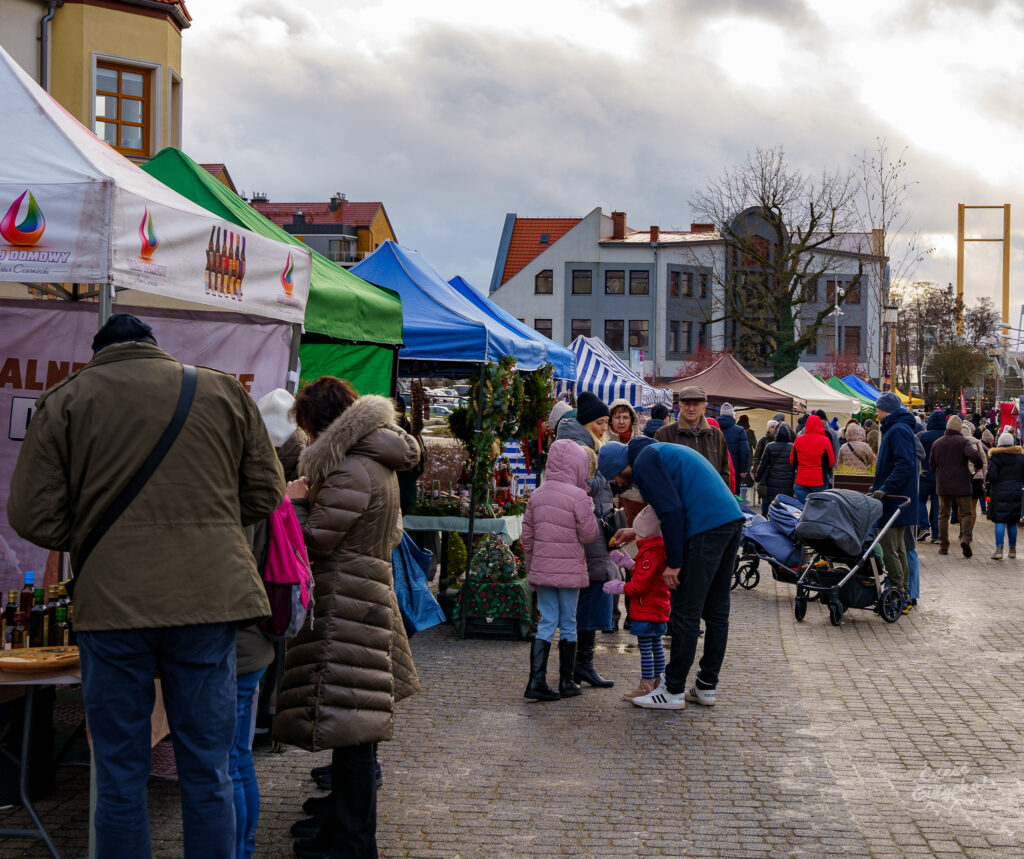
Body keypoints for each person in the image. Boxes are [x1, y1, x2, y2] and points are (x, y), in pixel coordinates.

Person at [8, 314, 285, 858]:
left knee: (119, 774)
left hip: (113, 605)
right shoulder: (222, 391)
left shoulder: (66, 400)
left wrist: (96, 542)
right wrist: (209, 531)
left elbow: (31, 515)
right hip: (208, 600)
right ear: (155, 347)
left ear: (98, 353)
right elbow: (265, 494)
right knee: (208, 769)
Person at [275, 378, 421, 859]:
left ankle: (353, 844)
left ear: (321, 425)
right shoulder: (373, 457)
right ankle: (342, 831)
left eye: (308, 429)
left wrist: (295, 501)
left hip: (346, 599)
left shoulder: (351, 467)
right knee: (351, 724)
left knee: (354, 728)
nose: (308, 439)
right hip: (362, 592)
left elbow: (317, 539)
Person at [597, 437, 744, 711]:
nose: (618, 483)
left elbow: (671, 511)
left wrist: (674, 562)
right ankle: (706, 686)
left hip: (705, 528)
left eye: (615, 477)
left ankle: (672, 690)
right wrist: (636, 532)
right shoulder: (658, 452)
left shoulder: (644, 461)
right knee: (716, 611)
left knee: (686, 611)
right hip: (729, 521)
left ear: (620, 467)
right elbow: (668, 507)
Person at [521, 439, 602, 700]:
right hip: (569, 572)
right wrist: (589, 508)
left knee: (546, 621)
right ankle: (567, 681)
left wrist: (532, 567)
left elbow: (527, 537)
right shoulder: (578, 496)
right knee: (568, 622)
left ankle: (536, 681)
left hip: (543, 569)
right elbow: (589, 535)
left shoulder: (537, 494)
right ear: (578, 465)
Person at [555, 392, 617, 685]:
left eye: (606, 422)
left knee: (591, 590)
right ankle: (577, 666)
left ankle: (581, 664)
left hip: (594, 527)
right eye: (599, 422)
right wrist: (607, 471)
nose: (604, 428)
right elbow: (582, 487)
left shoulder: (589, 444)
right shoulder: (579, 447)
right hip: (585, 528)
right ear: (585, 422)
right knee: (589, 591)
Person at [603, 505, 670, 700]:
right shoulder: (658, 549)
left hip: (646, 609)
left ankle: (645, 685)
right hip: (658, 608)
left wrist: (620, 587)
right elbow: (647, 575)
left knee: (646, 648)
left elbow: (640, 585)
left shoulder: (650, 553)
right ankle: (658, 681)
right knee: (656, 646)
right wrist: (629, 564)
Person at [869, 392, 919, 606]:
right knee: (898, 549)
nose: (877, 413)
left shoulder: (897, 430)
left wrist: (885, 488)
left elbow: (904, 464)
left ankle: (899, 592)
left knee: (890, 549)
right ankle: (903, 593)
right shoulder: (899, 428)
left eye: (878, 409)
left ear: (886, 410)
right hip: (898, 498)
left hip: (894, 499)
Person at [654, 386, 731, 488]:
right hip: (678, 496)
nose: (691, 409)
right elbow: (656, 472)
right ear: (680, 406)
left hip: (709, 495)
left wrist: (720, 494)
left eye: (695, 404)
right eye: (687, 404)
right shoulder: (664, 434)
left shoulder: (716, 435)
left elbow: (725, 472)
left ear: (704, 408)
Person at [929, 414, 983, 558]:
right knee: (966, 513)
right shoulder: (963, 442)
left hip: (943, 483)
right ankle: (965, 538)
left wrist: (939, 473)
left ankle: (943, 545)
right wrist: (977, 467)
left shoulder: (937, 443)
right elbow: (975, 457)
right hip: (962, 482)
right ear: (959, 428)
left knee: (943, 515)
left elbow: (932, 463)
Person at [987, 432, 1024, 560]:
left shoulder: (996, 458)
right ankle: (1012, 549)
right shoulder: (1020, 458)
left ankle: (999, 549)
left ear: (1000, 443)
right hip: (1015, 491)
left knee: (1000, 520)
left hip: (999, 491)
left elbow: (992, 476)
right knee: (1012, 521)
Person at [789, 414, 835, 502]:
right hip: (819, 481)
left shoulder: (798, 440)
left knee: (803, 507)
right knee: (819, 508)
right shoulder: (825, 440)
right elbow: (831, 461)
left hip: (801, 480)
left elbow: (792, 460)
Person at [917, 410, 947, 542]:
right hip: (941, 475)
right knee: (937, 504)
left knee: (919, 500)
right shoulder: (946, 437)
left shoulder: (923, 436)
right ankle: (937, 534)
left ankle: (924, 526)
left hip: (924, 473)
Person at [754, 423, 795, 515]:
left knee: (771, 503)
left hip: (772, 479)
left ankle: (769, 518)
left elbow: (763, 464)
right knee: (785, 504)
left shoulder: (770, 446)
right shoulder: (792, 447)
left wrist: (757, 477)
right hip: (788, 481)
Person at [717, 403, 750, 493]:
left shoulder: (714, 429)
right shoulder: (740, 430)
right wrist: (743, 470)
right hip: (734, 468)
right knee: (733, 494)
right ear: (732, 415)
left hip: (716, 467)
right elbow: (744, 451)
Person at [961, 421, 989, 522]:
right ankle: (970, 529)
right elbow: (984, 461)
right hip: (977, 477)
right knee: (973, 507)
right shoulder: (977, 442)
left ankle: (963, 528)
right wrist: (984, 476)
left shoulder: (958, 443)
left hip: (962, 478)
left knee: (961, 507)